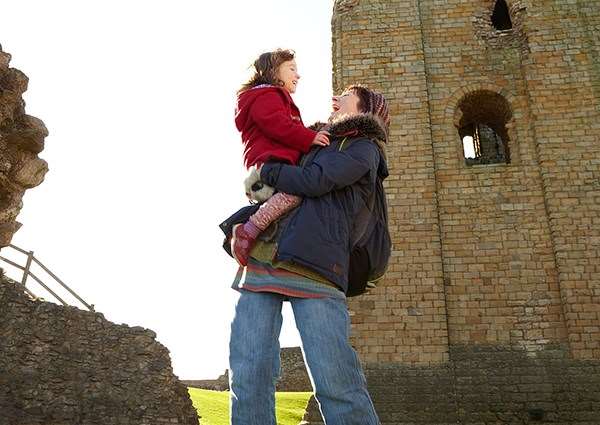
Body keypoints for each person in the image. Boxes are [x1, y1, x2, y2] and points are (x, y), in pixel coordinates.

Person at [225, 84, 390, 425]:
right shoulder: (311, 141)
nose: (338, 95)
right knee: (248, 374)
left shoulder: (364, 148)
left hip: (317, 268)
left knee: (336, 383)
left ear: (364, 106)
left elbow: (315, 181)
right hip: (265, 259)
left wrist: (269, 170)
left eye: (347, 93)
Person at [230, 48, 330, 267]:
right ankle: (247, 231)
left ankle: (264, 241)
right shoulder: (267, 95)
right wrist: (310, 137)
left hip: (274, 160)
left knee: (290, 205)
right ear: (274, 72)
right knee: (297, 192)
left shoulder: (271, 96)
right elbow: (278, 125)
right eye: (292, 69)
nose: (298, 75)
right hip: (272, 160)